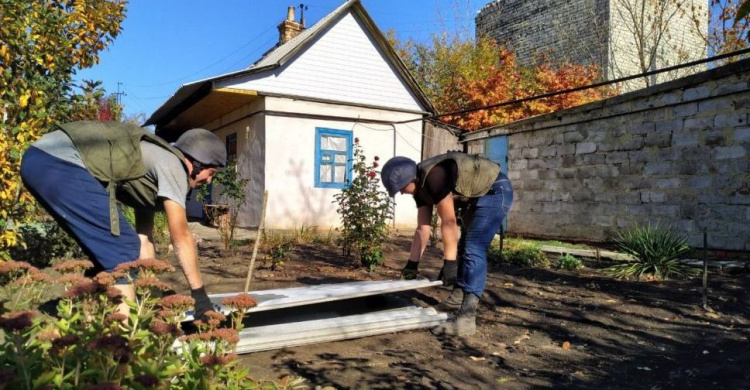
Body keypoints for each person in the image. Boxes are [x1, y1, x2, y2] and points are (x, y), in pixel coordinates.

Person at [20, 120, 224, 320]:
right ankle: (122, 343)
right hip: (58, 163)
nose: (209, 181)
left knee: (109, 253)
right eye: (210, 172)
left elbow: (144, 238)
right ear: (196, 162)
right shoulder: (173, 167)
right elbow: (181, 236)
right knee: (122, 250)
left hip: (38, 160)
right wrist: (200, 298)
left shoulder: (150, 168)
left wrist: (151, 296)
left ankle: (94, 327)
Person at [381, 152, 513, 337]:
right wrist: (412, 264)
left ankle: (466, 319)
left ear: (412, 178)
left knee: (473, 248)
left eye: (401, 188)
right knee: (465, 247)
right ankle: (457, 298)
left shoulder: (435, 177)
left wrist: (449, 263)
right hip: (478, 195)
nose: (401, 192)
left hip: (495, 190)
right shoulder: (420, 189)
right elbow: (423, 228)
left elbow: (449, 222)